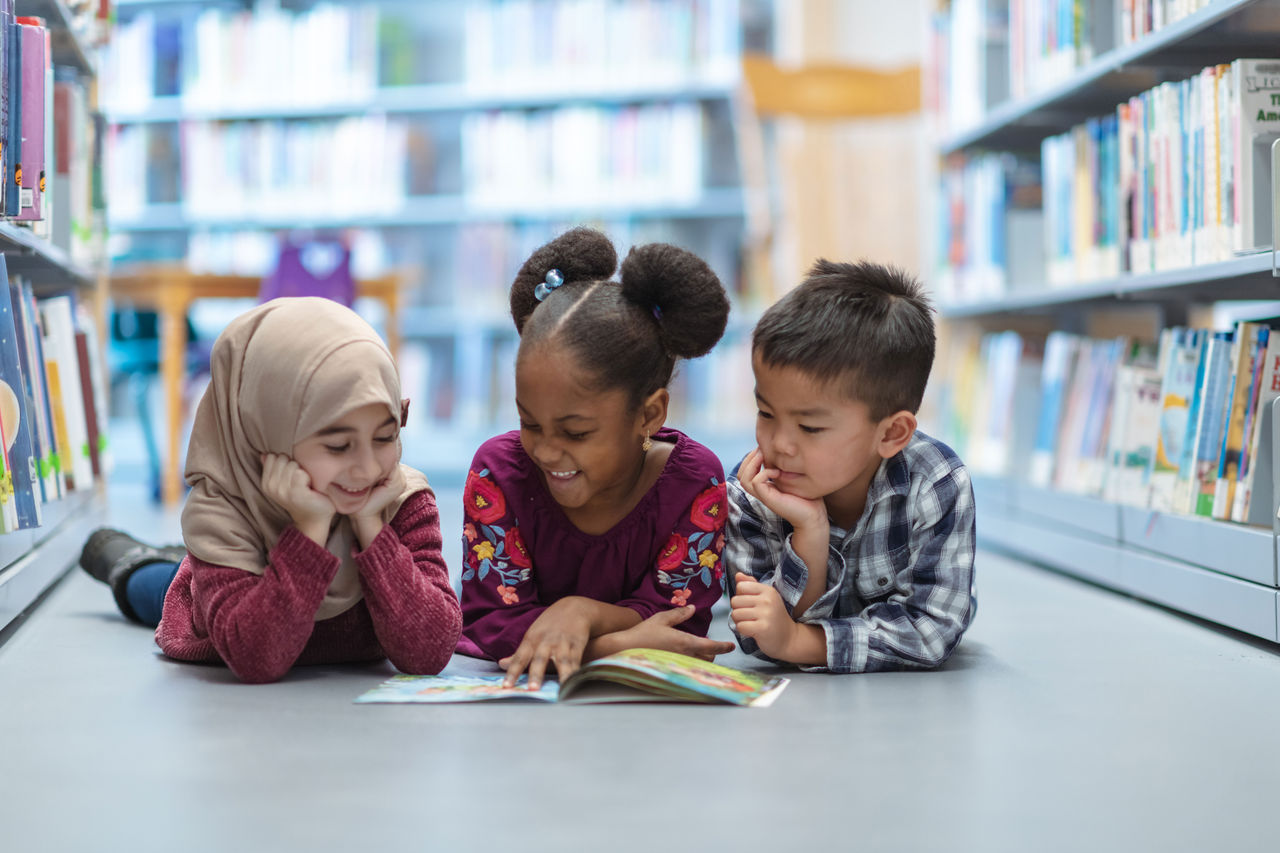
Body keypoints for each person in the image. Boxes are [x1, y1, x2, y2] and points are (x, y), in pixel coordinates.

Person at [79, 297, 461, 684]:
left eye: (385, 436)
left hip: (267, 572)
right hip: (214, 613)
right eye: (337, 446)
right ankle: (127, 558)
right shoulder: (223, 511)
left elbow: (429, 651)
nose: (366, 469)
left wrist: (371, 527)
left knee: (189, 565)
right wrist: (311, 530)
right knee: (155, 586)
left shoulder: (400, 498)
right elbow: (257, 658)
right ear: (267, 429)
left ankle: (180, 558)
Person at [457, 226, 735, 689]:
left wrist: (579, 612)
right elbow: (491, 622)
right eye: (530, 422)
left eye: (576, 432)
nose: (545, 450)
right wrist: (611, 646)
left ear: (649, 414)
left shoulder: (695, 482)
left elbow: (678, 624)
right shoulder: (498, 472)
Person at [725, 259, 976, 672]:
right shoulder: (751, 489)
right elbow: (757, 636)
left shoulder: (936, 482)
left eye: (810, 427)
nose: (779, 444)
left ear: (892, 433)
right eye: (765, 412)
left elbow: (932, 631)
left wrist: (799, 642)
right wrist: (810, 532)